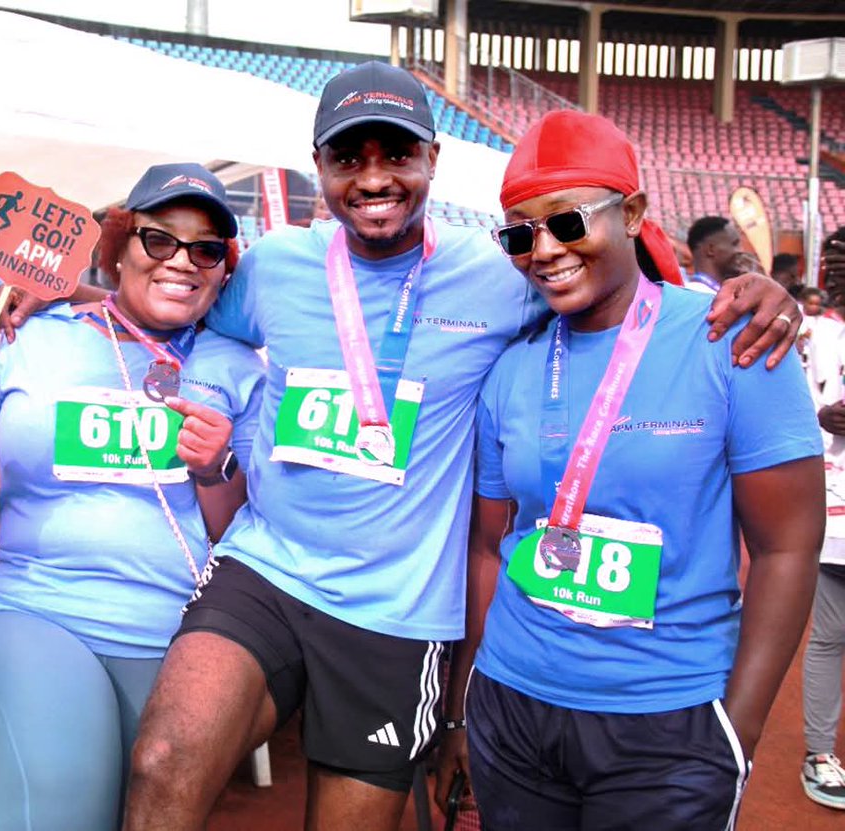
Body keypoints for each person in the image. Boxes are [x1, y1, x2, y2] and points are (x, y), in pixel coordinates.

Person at [111, 63, 802, 831]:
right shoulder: (275, 265)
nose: (374, 177)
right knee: (162, 759)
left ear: (433, 160)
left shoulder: (502, 270)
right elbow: (194, 318)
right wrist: (193, 383)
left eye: (397, 154)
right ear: (320, 170)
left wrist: (748, 292)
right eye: (349, 158)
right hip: (268, 565)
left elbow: (628, 286)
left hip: (400, 610)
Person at [437, 109, 823, 830]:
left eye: (569, 222)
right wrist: (463, 709)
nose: (544, 249)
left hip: (667, 722)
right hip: (514, 703)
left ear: (635, 212)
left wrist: (735, 734)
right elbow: (490, 546)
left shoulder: (731, 341)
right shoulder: (512, 367)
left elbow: (787, 547)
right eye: (520, 234)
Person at [0, 163, 263, 831]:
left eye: (206, 248)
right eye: (159, 239)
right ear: (119, 247)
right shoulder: (31, 339)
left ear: (224, 269)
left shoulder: (241, 369)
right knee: (61, 809)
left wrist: (216, 466)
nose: (180, 261)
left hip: (182, 643)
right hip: (38, 612)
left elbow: (237, 533)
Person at [801, 225, 845, 811]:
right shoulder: (811, 332)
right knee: (830, 636)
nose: (835, 268)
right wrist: (820, 415)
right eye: (832, 259)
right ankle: (818, 750)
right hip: (831, 511)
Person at [686, 214, 744, 293]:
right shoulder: (694, 293)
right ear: (711, 250)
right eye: (734, 244)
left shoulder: (721, 294)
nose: (741, 251)